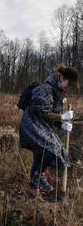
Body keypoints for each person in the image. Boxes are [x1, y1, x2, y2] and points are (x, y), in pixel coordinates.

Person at [19, 66, 79, 197]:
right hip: (32, 123)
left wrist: (62, 124)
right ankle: (37, 176)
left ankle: (33, 191)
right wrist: (63, 117)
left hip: (41, 124)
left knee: (44, 153)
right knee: (51, 147)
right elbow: (41, 111)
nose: (68, 88)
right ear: (62, 78)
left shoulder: (59, 92)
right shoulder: (45, 88)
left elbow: (53, 114)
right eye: (69, 84)